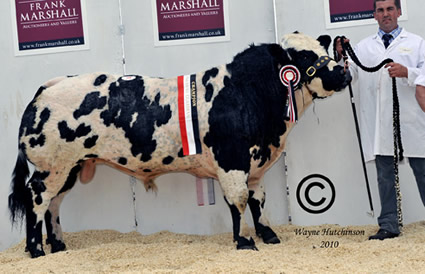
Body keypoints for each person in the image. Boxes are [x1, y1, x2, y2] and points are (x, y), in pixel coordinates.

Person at [336, 0, 425, 240]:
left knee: (423, 171)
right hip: (379, 122)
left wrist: (408, 72)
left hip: (411, 119)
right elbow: (349, 75)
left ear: (398, 11)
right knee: (385, 175)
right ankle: (389, 225)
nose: (385, 14)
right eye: (380, 10)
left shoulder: (417, 43)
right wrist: (342, 57)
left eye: (389, 9)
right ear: (374, 15)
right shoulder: (364, 47)